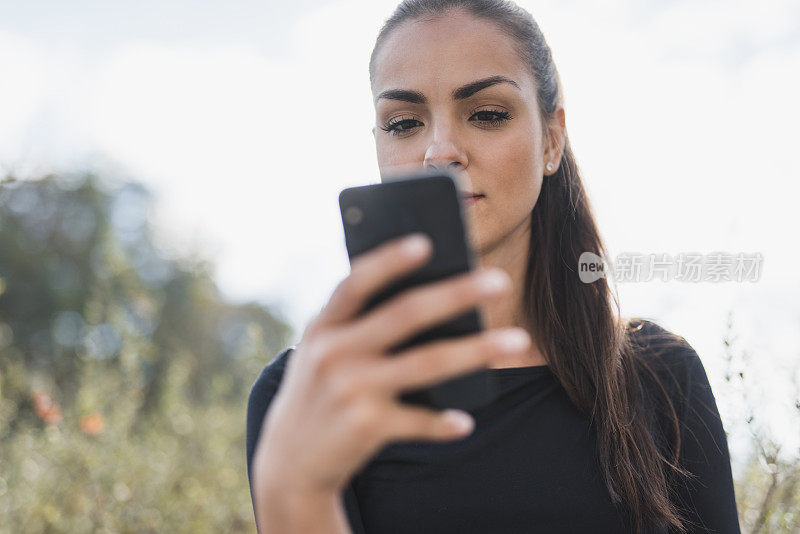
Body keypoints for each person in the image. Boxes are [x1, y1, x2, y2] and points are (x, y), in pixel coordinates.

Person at [245, 0, 741, 532]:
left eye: (486, 114)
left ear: (551, 139)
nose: (440, 151)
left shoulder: (661, 376)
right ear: (379, 147)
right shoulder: (308, 397)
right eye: (404, 123)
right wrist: (296, 492)